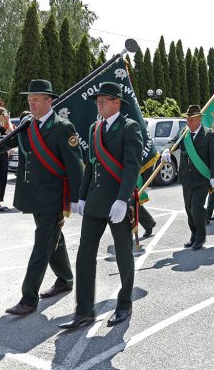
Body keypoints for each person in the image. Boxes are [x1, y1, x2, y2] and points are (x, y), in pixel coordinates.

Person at [0, 79, 84, 316]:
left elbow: (75, 165)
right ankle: (65, 278)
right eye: (29, 99)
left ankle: (29, 298)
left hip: (53, 197)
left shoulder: (62, 127)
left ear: (49, 100)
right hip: (33, 195)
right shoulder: (27, 125)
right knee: (52, 240)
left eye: (36, 99)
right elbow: (2, 142)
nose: (31, 103)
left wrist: (77, 197)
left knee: (42, 244)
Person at [59, 82, 142, 329]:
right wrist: (81, 196)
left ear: (117, 102)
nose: (100, 103)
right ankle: (84, 311)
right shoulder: (95, 128)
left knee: (124, 255)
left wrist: (122, 199)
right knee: (85, 255)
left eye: (105, 100)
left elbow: (132, 167)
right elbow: (91, 165)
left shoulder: (130, 127)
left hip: (117, 203)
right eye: (98, 100)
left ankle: (124, 304)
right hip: (95, 202)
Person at [161, 105, 214, 251]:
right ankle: (194, 235)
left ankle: (201, 237)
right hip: (186, 178)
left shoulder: (209, 135)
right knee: (188, 208)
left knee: (196, 207)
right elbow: (172, 142)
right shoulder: (183, 133)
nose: (188, 121)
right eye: (187, 119)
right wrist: (167, 149)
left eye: (191, 119)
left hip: (202, 178)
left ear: (199, 119)